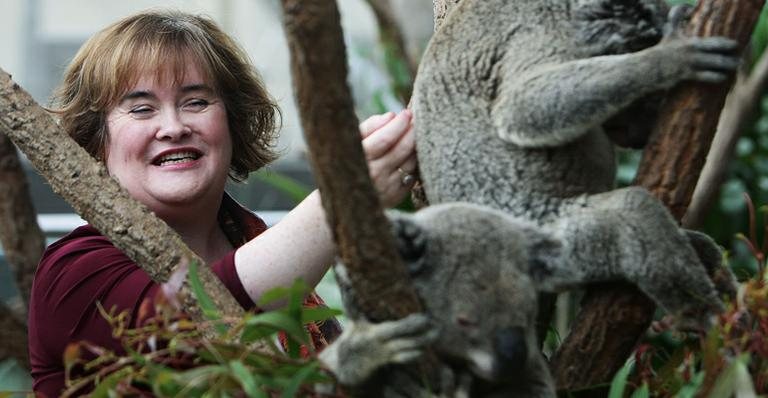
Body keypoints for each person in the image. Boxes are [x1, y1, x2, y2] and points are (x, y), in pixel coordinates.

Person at [26, 9, 418, 396]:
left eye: (196, 102)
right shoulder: (73, 273)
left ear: (234, 121)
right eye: (142, 109)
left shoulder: (257, 242)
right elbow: (206, 313)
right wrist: (345, 198)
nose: (174, 127)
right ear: (98, 142)